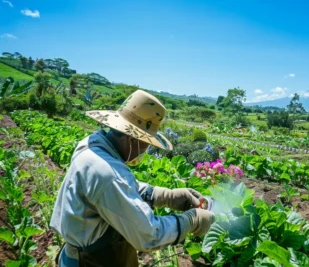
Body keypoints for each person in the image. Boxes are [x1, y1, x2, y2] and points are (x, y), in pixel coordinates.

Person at [50, 90, 215, 267]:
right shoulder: (107, 173)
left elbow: (122, 188)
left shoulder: (93, 144)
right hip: (92, 261)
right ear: (131, 139)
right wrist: (191, 221)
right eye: (146, 142)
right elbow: (149, 234)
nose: (145, 149)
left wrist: (165, 196)